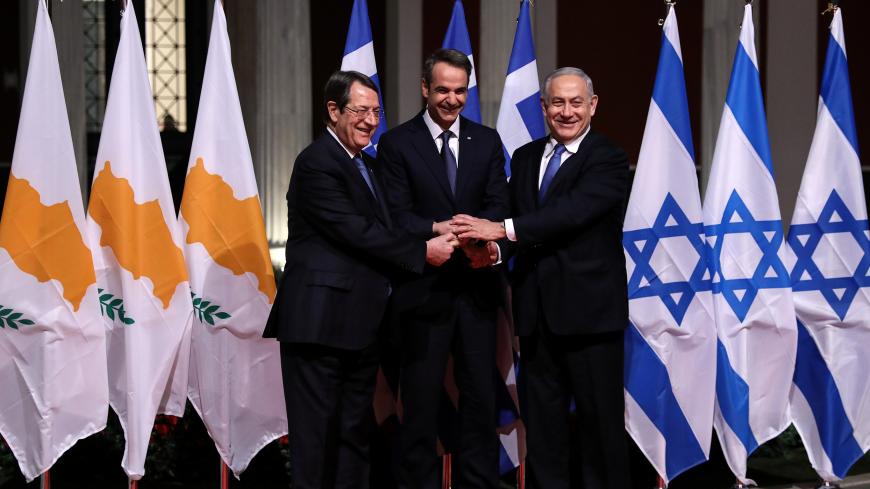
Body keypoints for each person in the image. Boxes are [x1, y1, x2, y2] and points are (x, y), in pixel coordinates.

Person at [263, 70, 458, 489]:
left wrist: (434, 227)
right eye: (360, 111)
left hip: (362, 324)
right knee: (316, 441)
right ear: (333, 111)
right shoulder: (316, 163)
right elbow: (356, 232)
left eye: (376, 111)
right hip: (319, 326)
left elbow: (389, 224)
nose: (371, 120)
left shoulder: (367, 164)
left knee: (354, 435)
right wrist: (424, 251)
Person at [452, 67, 632, 489]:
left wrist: (501, 229)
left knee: (599, 430)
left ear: (593, 106)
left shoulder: (607, 157)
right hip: (536, 319)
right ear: (543, 106)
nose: (566, 112)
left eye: (575, 102)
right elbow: (525, 226)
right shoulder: (528, 157)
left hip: (591, 319)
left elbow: (570, 215)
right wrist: (494, 251)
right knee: (545, 432)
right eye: (557, 102)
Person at [377, 49, 509, 489]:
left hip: (475, 290)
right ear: (424, 88)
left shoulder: (487, 140)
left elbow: (498, 204)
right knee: (419, 402)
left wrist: (482, 238)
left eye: (460, 91)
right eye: (443, 90)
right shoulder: (397, 143)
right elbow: (395, 215)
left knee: (480, 402)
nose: (452, 100)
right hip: (422, 292)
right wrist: (437, 228)